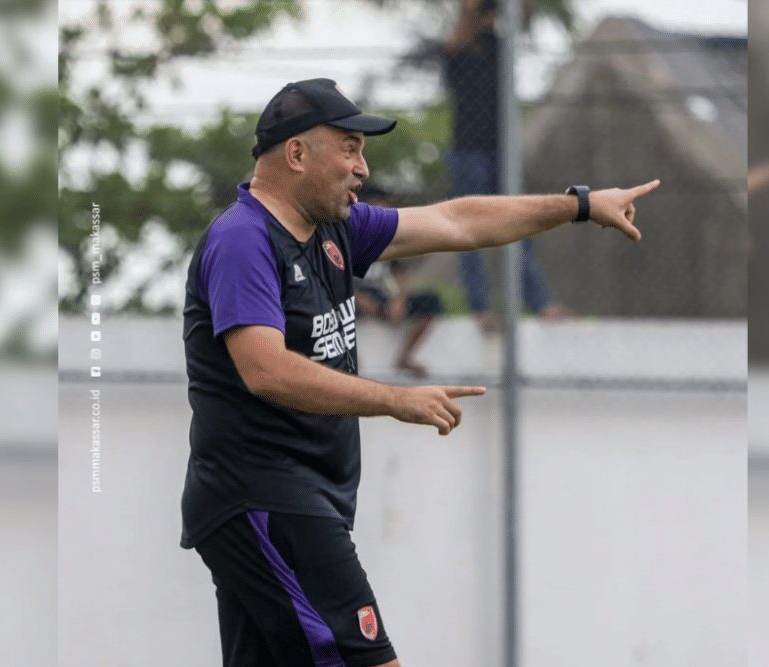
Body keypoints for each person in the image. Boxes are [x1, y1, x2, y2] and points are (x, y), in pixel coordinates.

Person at [181, 77, 658, 667]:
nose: (362, 168)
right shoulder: (242, 239)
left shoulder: (336, 230)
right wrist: (394, 399)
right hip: (266, 496)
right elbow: (266, 370)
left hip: (299, 498)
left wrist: (580, 205)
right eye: (350, 148)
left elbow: (458, 222)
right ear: (297, 154)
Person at [444, 0, 571, 333]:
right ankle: (481, 307)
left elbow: (523, 15)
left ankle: (541, 302)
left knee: (518, 224)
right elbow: (466, 20)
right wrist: (475, 10)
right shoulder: (456, 48)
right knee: (469, 231)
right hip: (468, 150)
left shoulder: (500, 46)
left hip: (501, 149)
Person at [353, 184, 443, 379]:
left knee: (431, 300)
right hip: (354, 299)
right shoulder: (348, 235)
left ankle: (404, 358)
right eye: (377, 208)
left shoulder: (387, 236)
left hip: (383, 300)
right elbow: (333, 276)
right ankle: (349, 357)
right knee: (332, 306)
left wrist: (398, 299)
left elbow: (400, 272)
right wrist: (357, 297)